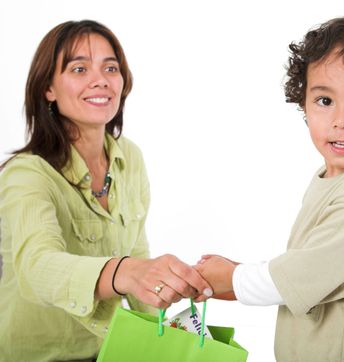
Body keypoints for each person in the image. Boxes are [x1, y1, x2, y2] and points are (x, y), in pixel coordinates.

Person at [195, 15, 344, 361]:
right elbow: (316, 262)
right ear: (304, 101)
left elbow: (291, 278)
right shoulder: (342, 175)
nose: (341, 120)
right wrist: (233, 276)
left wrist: (232, 278)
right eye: (325, 100)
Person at [0, 20, 212, 362]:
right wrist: (124, 272)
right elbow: (35, 267)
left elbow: (138, 252)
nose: (100, 79)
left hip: (107, 351)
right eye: (79, 68)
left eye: (110, 67)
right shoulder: (27, 174)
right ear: (48, 88)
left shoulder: (129, 157)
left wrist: (168, 323)